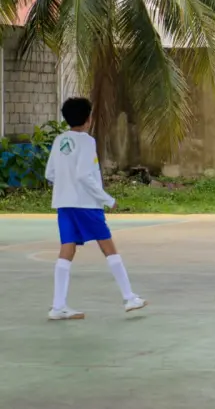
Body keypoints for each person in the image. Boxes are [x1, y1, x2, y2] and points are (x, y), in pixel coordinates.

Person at [44, 97, 147, 320]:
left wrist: (65, 186)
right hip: (86, 204)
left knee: (67, 249)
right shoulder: (87, 142)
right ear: (89, 119)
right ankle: (129, 297)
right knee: (108, 246)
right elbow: (83, 175)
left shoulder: (59, 140)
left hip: (64, 204)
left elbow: (49, 174)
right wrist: (107, 199)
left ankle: (58, 306)